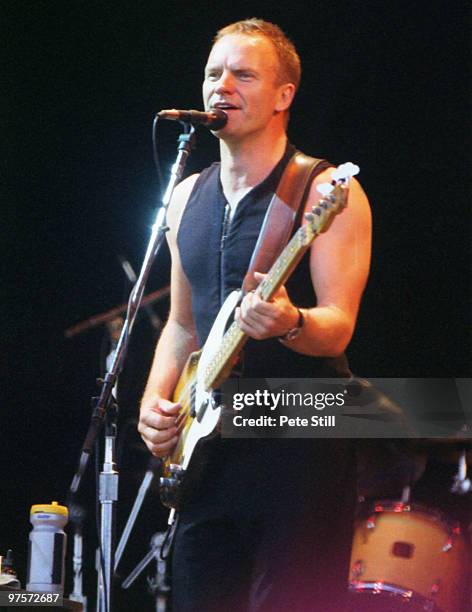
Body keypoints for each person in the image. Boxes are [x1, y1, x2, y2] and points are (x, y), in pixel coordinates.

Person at [138, 18, 371, 612]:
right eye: (215, 73)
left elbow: (339, 324)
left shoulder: (324, 190)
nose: (224, 86)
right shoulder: (186, 194)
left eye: (244, 74)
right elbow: (182, 324)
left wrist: (292, 322)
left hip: (299, 428)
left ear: (283, 96)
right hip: (208, 442)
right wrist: (156, 401)